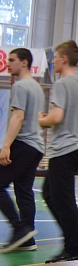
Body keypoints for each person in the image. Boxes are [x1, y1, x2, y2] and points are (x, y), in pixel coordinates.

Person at [38, 40, 78, 263]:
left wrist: (41, 120)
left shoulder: (62, 85)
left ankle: (72, 250)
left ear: (64, 60)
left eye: (55, 57)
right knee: (50, 194)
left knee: (64, 199)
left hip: (64, 149)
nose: (52, 61)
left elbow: (56, 117)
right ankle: (71, 239)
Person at [0, 48, 45, 252]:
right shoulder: (36, 87)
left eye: (12, 60)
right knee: (24, 191)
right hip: (36, 146)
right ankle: (27, 239)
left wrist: (6, 145)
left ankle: (19, 229)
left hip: (24, 143)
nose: (8, 64)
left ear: (24, 63)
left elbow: (18, 117)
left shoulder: (20, 86)